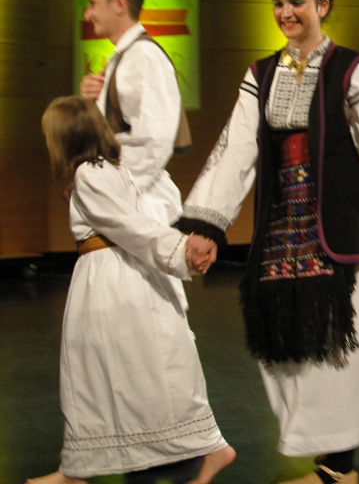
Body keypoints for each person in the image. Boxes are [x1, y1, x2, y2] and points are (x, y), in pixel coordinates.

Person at [177, 0, 359, 484]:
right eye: (278, 3)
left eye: (297, 2)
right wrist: (207, 226)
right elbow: (236, 149)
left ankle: (339, 468)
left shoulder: (350, 70)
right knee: (291, 350)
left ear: (323, 4)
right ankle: (326, 461)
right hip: (281, 233)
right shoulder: (262, 74)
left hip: (338, 232)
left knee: (338, 350)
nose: (286, 12)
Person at [29, 96, 234, 484]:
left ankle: (83, 470)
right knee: (134, 369)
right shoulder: (108, 168)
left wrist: (180, 250)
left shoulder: (90, 174)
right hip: (118, 273)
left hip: (110, 280)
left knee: (104, 372)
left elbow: (130, 225)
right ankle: (81, 467)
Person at [80, 0, 189, 310]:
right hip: (126, 196)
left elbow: (155, 139)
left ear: (119, 4)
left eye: (93, 3)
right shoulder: (124, 57)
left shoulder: (145, 57)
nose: (87, 13)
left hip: (138, 199)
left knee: (144, 304)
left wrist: (115, 187)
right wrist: (90, 103)